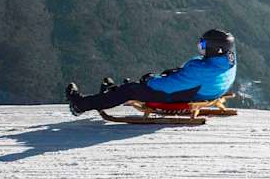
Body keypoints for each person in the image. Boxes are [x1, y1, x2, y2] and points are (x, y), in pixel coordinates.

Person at [65, 29, 237, 115]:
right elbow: (186, 78)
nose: (201, 48)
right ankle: (112, 92)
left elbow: (168, 86)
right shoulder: (227, 62)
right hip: (203, 91)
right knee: (142, 84)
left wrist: (150, 80)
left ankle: (80, 105)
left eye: (203, 46)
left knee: (130, 90)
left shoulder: (201, 70)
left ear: (215, 49)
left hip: (181, 96)